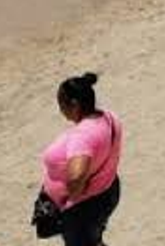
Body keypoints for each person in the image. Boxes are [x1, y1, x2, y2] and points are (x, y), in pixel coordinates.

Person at [41, 73, 123, 246]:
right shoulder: (108, 117)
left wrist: (68, 199)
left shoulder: (82, 137)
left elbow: (77, 176)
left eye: (61, 104)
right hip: (107, 192)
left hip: (83, 210)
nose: (60, 109)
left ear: (75, 105)